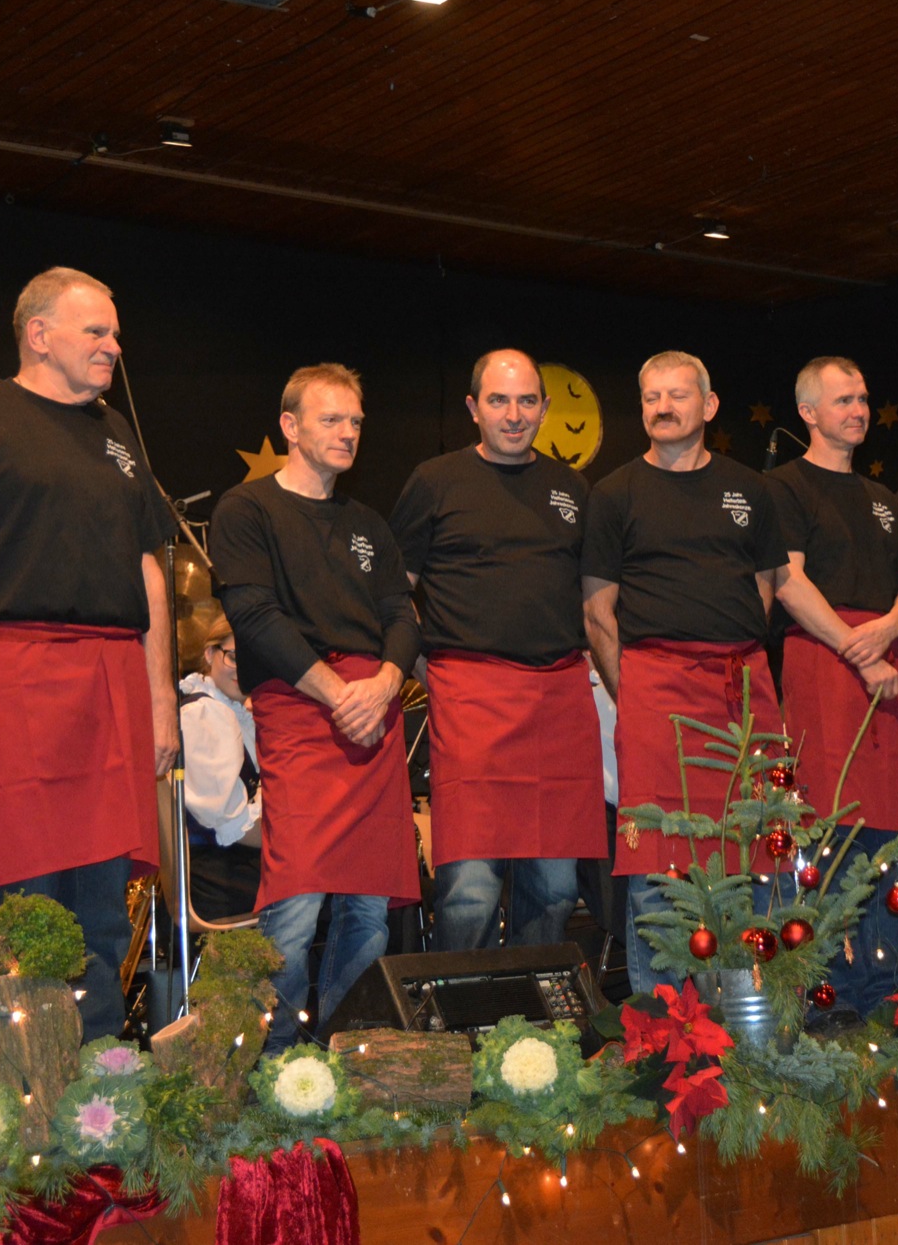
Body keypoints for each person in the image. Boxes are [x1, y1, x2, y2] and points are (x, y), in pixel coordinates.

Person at [0, 268, 173, 1041]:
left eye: (115, 334)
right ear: (38, 333)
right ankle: (27, 1101)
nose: (113, 348)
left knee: (100, 911)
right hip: (21, 673)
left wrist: (162, 702)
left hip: (114, 679)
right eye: (96, 332)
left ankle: (95, 1097)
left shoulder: (117, 432)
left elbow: (150, 573)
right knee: (25, 909)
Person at [209, 363, 420, 1051]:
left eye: (356, 420)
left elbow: (401, 612)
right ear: (290, 425)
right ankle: (275, 1071)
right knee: (295, 906)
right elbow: (253, 612)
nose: (349, 431)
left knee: (369, 912)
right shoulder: (247, 510)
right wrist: (338, 694)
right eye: (333, 419)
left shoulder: (367, 523)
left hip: (372, 714)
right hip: (302, 709)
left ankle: (342, 1056)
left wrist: (386, 682)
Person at [581, 351, 790, 994]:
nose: (663, 408)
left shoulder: (750, 488)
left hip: (742, 688)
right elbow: (596, 612)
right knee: (656, 865)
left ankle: (747, 1023)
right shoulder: (615, 492)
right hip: (655, 690)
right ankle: (664, 1033)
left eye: (677, 395)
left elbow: (763, 589)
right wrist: (638, 689)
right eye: (651, 397)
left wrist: (725, 653)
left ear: (710, 404)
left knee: (752, 857)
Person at [389, 349, 606, 952]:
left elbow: (594, 598)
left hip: (560, 698)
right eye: (499, 400)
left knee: (558, 886)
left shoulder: (572, 488)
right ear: (473, 408)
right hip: (472, 696)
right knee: (470, 888)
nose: (514, 415)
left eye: (527, 401)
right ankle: (464, 1026)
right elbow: (392, 592)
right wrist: (423, 664)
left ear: (543, 407)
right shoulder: (435, 481)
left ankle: (535, 1030)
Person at [764, 356, 898, 1013]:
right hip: (825, 664)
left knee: (892, 835)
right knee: (827, 835)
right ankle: (827, 1002)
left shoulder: (886, 501)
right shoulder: (783, 487)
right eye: (843, 400)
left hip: (885, 665)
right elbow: (789, 581)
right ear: (808, 411)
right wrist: (857, 650)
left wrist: (889, 625)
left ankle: (890, 999)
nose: (859, 410)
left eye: (863, 399)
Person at [176, 613, 262, 921]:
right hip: (216, 878)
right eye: (235, 657)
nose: (244, 670)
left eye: (254, 660)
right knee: (333, 897)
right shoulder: (203, 713)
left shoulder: (234, 713)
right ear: (210, 654)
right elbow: (233, 828)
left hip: (232, 868)